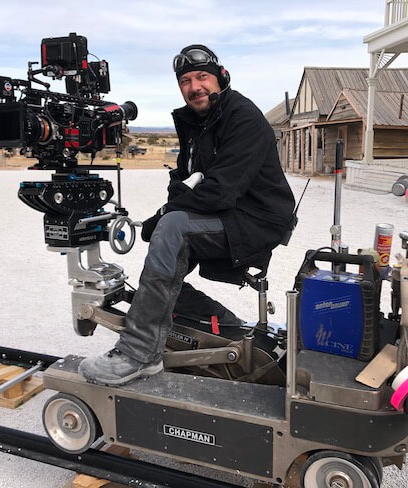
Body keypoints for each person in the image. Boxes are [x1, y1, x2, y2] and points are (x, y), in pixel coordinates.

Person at [79, 45, 295, 386]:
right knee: (167, 243)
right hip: (229, 212)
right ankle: (212, 322)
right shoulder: (196, 121)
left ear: (221, 78)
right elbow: (184, 182)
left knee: (174, 228)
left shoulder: (243, 117)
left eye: (202, 77)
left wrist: (167, 213)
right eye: (186, 81)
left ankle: (140, 353)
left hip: (257, 219)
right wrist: (170, 208)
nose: (194, 87)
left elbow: (221, 190)